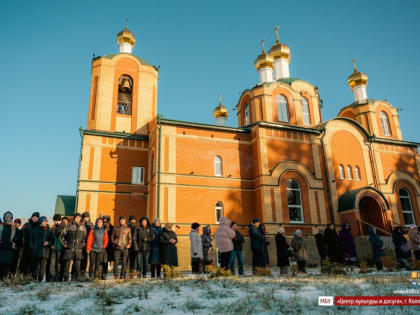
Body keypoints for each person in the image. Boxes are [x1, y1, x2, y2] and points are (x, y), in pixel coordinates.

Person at [60, 213, 87, 281]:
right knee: (67, 265)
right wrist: (66, 245)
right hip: (69, 249)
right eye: (76, 217)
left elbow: (85, 238)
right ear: (74, 218)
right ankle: (65, 279)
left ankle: (75, 278)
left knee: (77, 265)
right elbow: (62, 236)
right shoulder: (69, 226)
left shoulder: (83, 227)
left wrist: (82, 245)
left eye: (79, 218)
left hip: (78, 249)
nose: (77, 219)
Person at [29, 216, 54, 281]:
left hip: (44, 252)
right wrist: (33, 248)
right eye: (43, 221)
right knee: (35, 267)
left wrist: (48, 242)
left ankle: (40, 280)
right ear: (40, 222)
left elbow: (52, 239)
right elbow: (31, 240)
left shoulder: (49, 230)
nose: (45, 222)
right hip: (36, 252)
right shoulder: (35, 230)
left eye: (46, 221)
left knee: (42, 267)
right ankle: (34, 279)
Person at [0, 212, 18, 280]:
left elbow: (18, 236)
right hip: (1, 248)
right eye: (6, 217)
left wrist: (14, 239)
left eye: (9, 217)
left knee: (8, 264)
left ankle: (6, 278)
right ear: (4, 218)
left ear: (11, 218)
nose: (8, 218)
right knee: (1, 264)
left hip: (10, 249)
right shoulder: (1, 226)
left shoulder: (14, 227)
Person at [47, 214, 64, 282]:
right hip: (53, 248)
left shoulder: (64, 227)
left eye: (57, 221)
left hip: (60, 248)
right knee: (52, 263)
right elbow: (51, 237)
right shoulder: (53, 228)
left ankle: (59, 277)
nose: (56, 222)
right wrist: (51, 244)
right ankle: (52, 277)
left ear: (60, 220)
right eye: (55, 221)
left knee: (59, 263)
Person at [80, 212, 94, 277]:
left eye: (87, 217)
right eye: (85, 217)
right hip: (80, 243)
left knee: (85, 258)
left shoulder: (91, 224)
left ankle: (83, 271)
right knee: (80, 257)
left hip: (88, 244)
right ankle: (79, 271)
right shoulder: (80, 224)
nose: (86, 218)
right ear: (83, 218)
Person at [101, 215, 114, 280]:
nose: (106, 223)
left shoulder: (112, 228)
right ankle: (103, 274)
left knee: (109, 260)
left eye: (107, 222)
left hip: (110, 246)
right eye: (105, 222)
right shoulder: (102, 228)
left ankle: (113, 275)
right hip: (103, 246)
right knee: (104, 260)